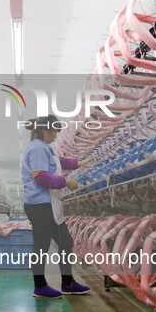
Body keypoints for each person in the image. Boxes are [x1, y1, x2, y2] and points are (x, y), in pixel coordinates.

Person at [21, 115, 93, 299]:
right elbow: (41, 177)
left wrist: (78, 163)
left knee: (65, 243)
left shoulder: (45, 147)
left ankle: (68, 284)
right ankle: (40, 286)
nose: (56, 135)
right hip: (40, 205)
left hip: (48, 205)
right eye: (54, 131)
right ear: (45, 130)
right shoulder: (37, 148)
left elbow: (58, 160)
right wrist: (66, 182)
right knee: (41, 246)